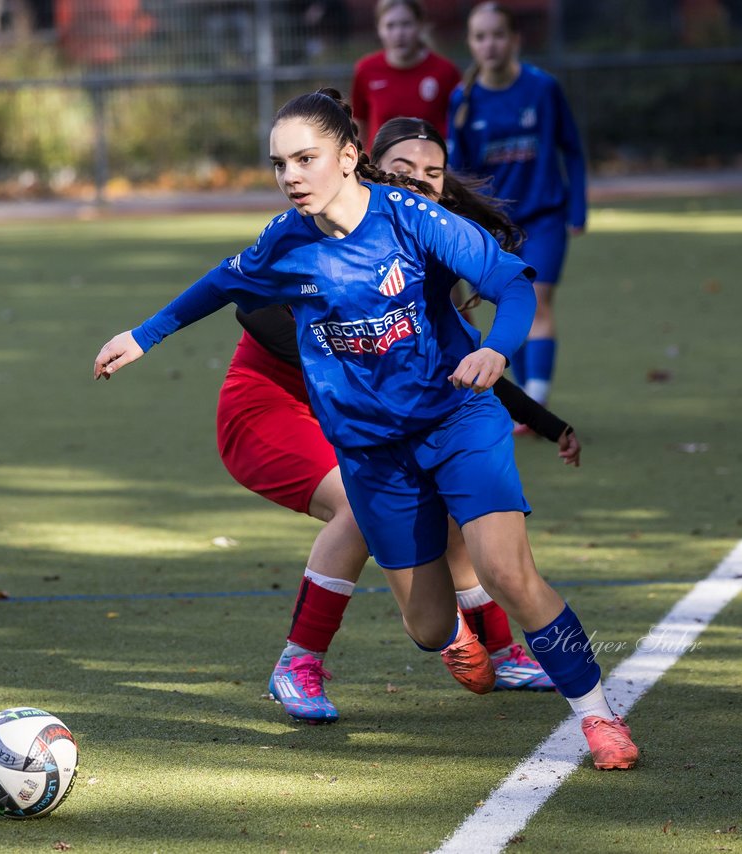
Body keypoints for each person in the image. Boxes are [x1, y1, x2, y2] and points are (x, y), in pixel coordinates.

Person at [95, 89, 638, 770]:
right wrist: (143, 336)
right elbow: (222, 282)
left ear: (349, 156)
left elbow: (513, 284)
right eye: (279, 163)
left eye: (306, 158)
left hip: (456, 419)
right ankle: (474, 639)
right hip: (373, 454)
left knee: (506, 569)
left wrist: (498, 349)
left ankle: (598, 716)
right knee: (429, 627)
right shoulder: (284, 241)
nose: (291, 176)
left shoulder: (413, 218)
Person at [218, 116, 580, 725]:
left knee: (454, 508)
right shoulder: (316, 232)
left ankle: (500, 651)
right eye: (402, 169)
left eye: (432, 172)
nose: (418, 182)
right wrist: (357, 360)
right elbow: (250, 313)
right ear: (364, 170)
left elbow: (460, 368)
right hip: (270, 409)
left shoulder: (425, 244)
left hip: (365, 417)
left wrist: (544, 421)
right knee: (358, 507)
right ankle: (299, 662)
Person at [447, 2, 587, 426]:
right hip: (493, 226)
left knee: (538, 302)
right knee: (512, 308)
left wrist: (578, 208)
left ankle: (534, 404)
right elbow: (458, 174)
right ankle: (527, 400)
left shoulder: (542, 88)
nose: (489, 44)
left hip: (544, 218)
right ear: (471, 43)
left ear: (514, 40)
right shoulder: (463, 99)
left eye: (497, 35)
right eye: (480, 36)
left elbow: (572, 150)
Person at [350, 0, 461, 153]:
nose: (399, 34)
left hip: (430, 163)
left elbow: (459, 125)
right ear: (379, 29)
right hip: (381, 166)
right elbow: (359, 124)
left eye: (406, 24)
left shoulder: (445, 71)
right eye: (390, 26)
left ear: (420, 25)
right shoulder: (366, 70)